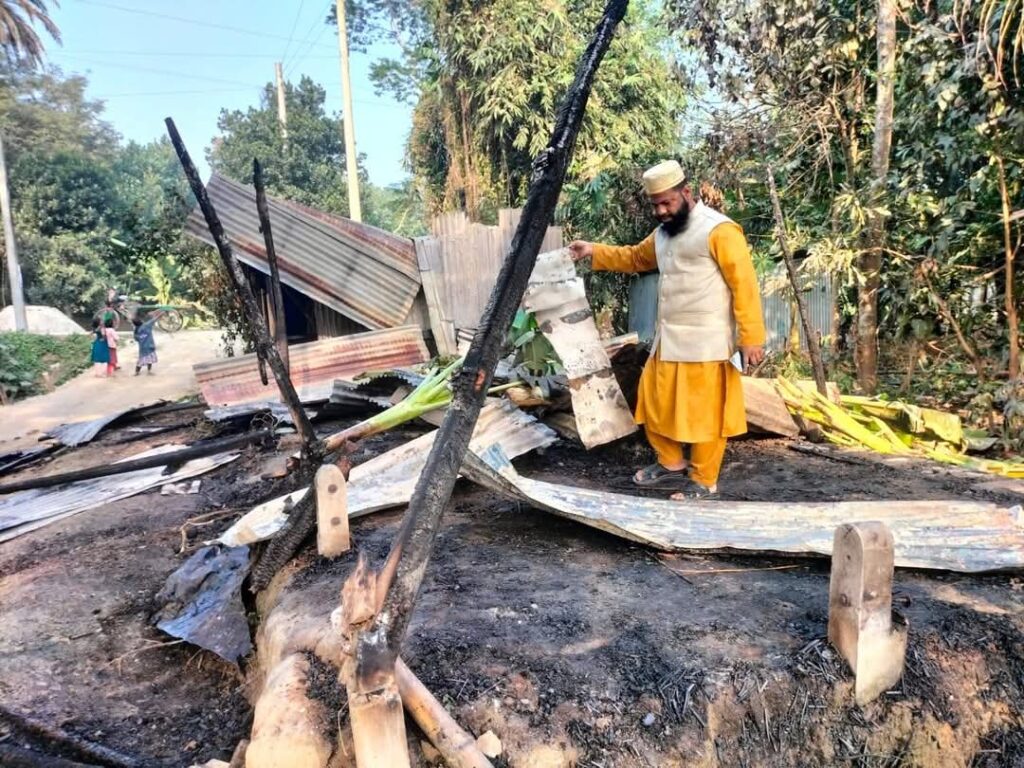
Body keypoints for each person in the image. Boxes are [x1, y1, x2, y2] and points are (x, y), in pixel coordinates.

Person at [568, 160, 766, 500]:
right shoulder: (662, 234)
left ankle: (704, 481)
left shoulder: (720, 230)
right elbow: (633, 258)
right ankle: (671, 463)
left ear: (686, 193)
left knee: (705, 417)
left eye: (667, 202)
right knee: (654, 404)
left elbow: (744, 286)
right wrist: (593, 251)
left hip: (707, 344)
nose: (661, 211)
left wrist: (751, 339)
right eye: (655, 204)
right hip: (668, 341)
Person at [132, 310, 163, 375]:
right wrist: (162, 312)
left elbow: (136, 339)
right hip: (150, 346)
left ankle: (137, 372)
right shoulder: (147, 325)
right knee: (150, 360)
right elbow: (155, 319)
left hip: (142, 349)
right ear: (141, 321)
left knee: (140, 361)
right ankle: (149, 371)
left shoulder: (136, 331)